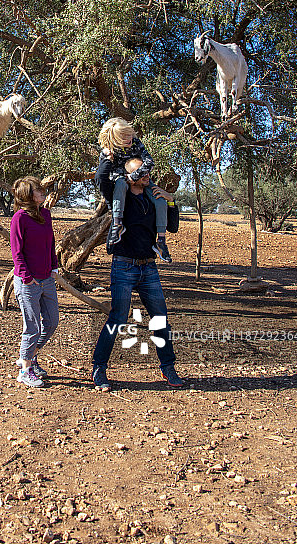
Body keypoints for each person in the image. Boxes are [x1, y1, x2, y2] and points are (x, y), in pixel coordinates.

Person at [92, 155, 184, 391]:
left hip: (148, 267)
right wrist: (106, 156)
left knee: (160, 318)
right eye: (140, 172)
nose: (146, 175)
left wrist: (171, 202)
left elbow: (172, 227)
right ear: (129, 177)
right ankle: (99, 368)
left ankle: (168, 367)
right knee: (118, 319)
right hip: (123, 265)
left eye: (147, 172)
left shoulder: (153, 199)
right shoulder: (119, 196)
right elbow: (101, 178)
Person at [98, 117, 172, 262]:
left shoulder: (136, 143)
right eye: (123, 137)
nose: (128, 138)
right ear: (114, 139)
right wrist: (107, 157)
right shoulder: (107, 151)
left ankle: (161, 240)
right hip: (120, 180)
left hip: (140, 178)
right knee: (120, 184)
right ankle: (117, 224)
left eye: (128, 134)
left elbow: (149, 162)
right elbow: (101, 177)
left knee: (161, 202)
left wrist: (134, 176)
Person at [10, 176, 60, 389]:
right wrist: (27, 277)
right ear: (28, 196)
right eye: (38, 190)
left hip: (46, 277)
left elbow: (51, 242)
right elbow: (17, 253)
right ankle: (25, 371)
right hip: (27, 281)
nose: (43, 191)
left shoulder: (45, 215)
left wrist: (54, 266)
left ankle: (28, 356)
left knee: (51, 322)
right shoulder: (19, 219)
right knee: (32, 327)